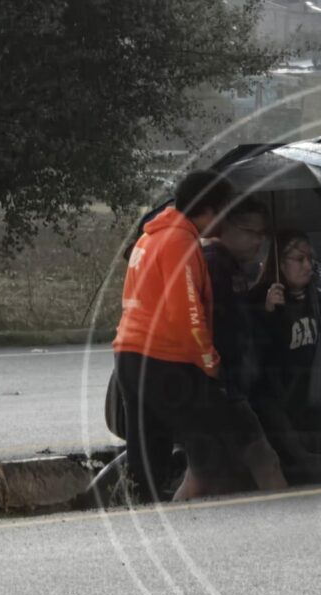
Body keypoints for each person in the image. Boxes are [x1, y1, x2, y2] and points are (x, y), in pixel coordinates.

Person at [112, 170, 248, 503]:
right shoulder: (179, 242)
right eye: (225, 211)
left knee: (147, 453)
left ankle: (137, 510)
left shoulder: (151, 237)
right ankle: (209, 518)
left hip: (130, 355)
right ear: (209, 209)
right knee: (211, 456)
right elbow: (186, 314)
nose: (228, 221)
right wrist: (210, 362)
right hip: (163, 360)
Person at [250, 231, 321, 481]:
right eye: (299, 259)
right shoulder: (261, 299)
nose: (307, 266)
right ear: (280, 262)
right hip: (275, 404)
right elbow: (257, 352)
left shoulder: (312, 297)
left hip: (307, 400)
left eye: (311, 258)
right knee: (298, 463)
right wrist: (268, 313)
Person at [199, 197, 289, 490]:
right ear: (227, 227)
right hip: (221, 385)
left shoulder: (232, 267)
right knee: (265, 462)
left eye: (262, 234)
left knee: (207, 473)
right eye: (253, 232)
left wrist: (264, 309)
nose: (259, 241)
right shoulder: (214, 265)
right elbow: (215, 327)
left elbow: (238, 319)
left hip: (229, 385)